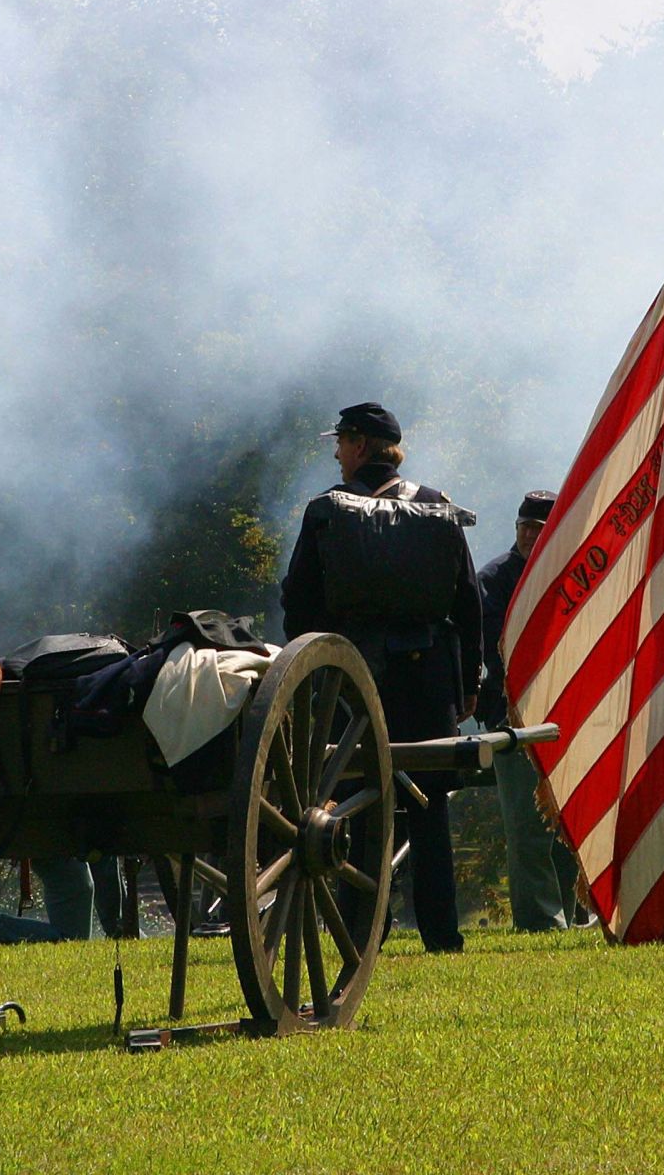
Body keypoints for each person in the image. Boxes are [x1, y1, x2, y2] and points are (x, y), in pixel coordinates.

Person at [280, 401, 482, 953]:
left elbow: (299, 601)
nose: (338, 453)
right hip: (428, 678)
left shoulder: (326, 510)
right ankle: (441, 933)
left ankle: (363, 927)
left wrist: (311, 672)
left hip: (351, 678)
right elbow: (467, 600)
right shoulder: (438, 507)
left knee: (355, 804)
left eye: (342, 442)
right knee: (429, 805)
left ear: (363, 445)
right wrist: (469, 681)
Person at [478, 489, 582, 932]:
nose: (527, 536)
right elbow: (493, 647)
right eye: (523, 526)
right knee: (527, 824)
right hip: (513, 713)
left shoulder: (571, 573)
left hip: (566, 711)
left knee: (570, 819)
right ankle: (540, 919)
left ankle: (574, 913)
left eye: (537, 530)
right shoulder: (496, 579)